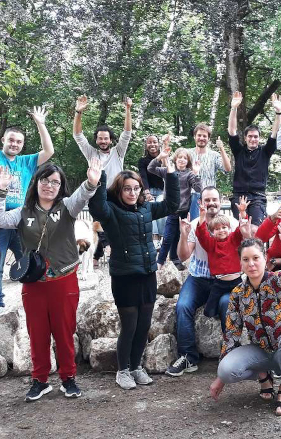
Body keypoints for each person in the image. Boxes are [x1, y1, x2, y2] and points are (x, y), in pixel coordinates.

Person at [0, 158, 102, 401]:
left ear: (61, 187)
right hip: (34, 283)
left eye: (55, 182)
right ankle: (39, 380)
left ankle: (68, 378)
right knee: (37, 333)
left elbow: (81, 197)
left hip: (64, 280)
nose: (49, 186)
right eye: (45, 180)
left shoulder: (68, 207)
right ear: (37, 182)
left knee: (64, 331)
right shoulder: (23, 211)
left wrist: (91, 183)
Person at [209, 224, 281, 416]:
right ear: (241, 263)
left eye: (256, 258)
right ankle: (263, 375)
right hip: (261, 351)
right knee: (226, 370)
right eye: (246, 260)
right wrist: (221, 378)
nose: (251, 264)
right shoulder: (238, 293)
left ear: (265, 259)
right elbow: (232, 334)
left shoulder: (279, 281)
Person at [88, 161, 180, 389]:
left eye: (136, 188)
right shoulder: (111, 210)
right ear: (119, 190)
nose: (132, 193)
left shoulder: (146, 209)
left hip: (147, 274)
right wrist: (98, 178)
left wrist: (170, 173)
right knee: (129, 326)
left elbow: (172, 204)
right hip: (125, 276)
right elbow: (97, 208)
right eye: (127, 189)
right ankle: (123, 370)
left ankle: (137, 367)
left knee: (143, 325)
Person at [0, 88, 55, 313]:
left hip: (20, 218)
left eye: (19, 142)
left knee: (29, 259)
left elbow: (49, 150)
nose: (15, 144)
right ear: (3, 140)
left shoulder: (26, 162)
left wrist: (40, 124)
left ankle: (34, 299)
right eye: (11, 140)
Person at [167, 186, 239, 376]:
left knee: (226, 304)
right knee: (183, 305)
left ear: (220, 200)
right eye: (207, 200)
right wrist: (183, 235)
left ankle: (232, 353)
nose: (211, 203)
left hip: (225, 281)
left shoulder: (231, 223)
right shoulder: (196, 224)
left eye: (214, 199)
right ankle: (188, 356)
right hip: (199, 278)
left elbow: (246, 246)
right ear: (201, 203)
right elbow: (182, 256)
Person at [73, 95, 133, 266]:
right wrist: (78, 112)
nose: (103, 141)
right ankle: (98, 253)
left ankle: (112, 253)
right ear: (97, 140)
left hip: (117, 193)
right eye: (100, 138)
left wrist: (128, 109)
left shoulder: (118, 152)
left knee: (119, 224)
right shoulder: (91, 153)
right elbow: (77, 135)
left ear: (111, 139)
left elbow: (127, 133)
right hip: (98, 194)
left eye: (106, 138)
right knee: (99, 224)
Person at [193, 197, 252, 326]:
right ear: (212, 232)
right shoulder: (211, 244)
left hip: (237, 281)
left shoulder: (234, 239)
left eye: (224, 227)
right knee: (209, 311)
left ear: (229, 229)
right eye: (217, 229)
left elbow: (242, 228)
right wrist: (202, 216)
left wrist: (242, 212)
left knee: (246, 304)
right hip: (219, 283)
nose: (221, 230)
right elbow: (202, 234)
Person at [227, 91, 281, 225]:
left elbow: (275, 133)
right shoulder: (239, 150)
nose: (253, 139)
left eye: (256, 136)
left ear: (259, 138)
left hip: (258, 197)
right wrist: (234, 108)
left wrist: (279, 112)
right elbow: (231, 131)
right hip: (239, 196)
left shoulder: (265, 151)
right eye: (250, 136)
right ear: (245, 138)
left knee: (256, 230)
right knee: (240, 230)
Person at [148, 137, 201, 269]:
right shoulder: (168, 171)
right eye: (180, 157)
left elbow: (199, 188)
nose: (182, 160)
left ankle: (174, 258)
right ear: (175, 159)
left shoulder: (189, 174)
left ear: (188, 161)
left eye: (185, 158)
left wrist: (196, 173)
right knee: (168, 237)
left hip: (184, 210)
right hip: (172, 210)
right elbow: (151, 168)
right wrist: (160, 156)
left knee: (179, 236)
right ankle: (160, 262)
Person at [188, 124, 231, 219]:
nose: (201, 138)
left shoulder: (214, 155)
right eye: (199, 135)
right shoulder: (187, 154)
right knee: (194, 226)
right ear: (194, 136)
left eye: (204, 136)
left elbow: (227, 168)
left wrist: (221, 148)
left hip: (209, 199)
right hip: (190, 198)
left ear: (208, 138)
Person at [138, 135, 166, 242]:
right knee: (149, 209)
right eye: (149, 142)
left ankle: (162, 236)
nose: (152, 144)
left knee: (160, 206)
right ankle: (154, 237)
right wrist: (147, 192)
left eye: (154, 142)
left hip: (162, 191)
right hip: (148, 191)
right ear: (146, 145)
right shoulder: (143, 161)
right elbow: (143, 176)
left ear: (159, 144)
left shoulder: (163, 158)